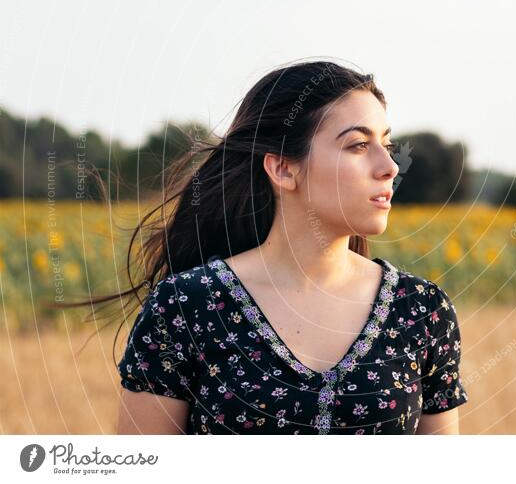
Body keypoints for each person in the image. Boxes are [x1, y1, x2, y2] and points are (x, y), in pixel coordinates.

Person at [99, 60, 467, 434]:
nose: (389, 166)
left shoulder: (422, 311)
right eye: (358, 145)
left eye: (386, 145)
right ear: (283, 169)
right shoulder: (185, 307)